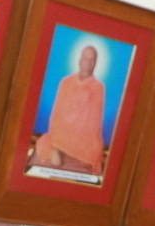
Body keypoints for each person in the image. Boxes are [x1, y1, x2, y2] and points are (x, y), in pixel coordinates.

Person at [29, 42, 106, 176]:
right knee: (48, 140)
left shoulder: (98, 87)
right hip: (62, 133)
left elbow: (94, 125)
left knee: (95, 150)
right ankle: (55, 148)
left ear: (95, 63)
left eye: (91, 59)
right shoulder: (65, 82)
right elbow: (56, 115)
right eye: (85, 58)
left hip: (84, 139)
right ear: (79, 60)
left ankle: (59, 148)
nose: (87, 63)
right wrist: (58, 138)